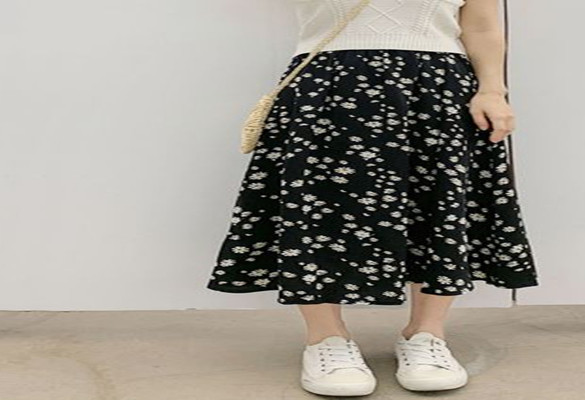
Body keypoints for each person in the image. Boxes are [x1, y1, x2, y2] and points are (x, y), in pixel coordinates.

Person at [206, 0, 539, 396]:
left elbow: (481, 27)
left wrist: (493, 91)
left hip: (437, 86)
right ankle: (326, 339)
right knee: (315, 210)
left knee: (439, 206)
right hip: (330, 83)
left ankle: (426, 335)